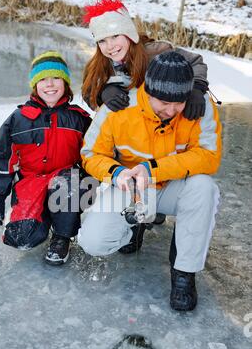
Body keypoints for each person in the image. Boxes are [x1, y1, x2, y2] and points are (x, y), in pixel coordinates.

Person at [78, 51, 222, 311]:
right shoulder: (120, 107)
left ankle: (184, 273)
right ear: (148, 91)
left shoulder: (199, 108)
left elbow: (209, 157)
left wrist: (154, 169)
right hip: (130, 186)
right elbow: (90, 154)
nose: (171, 110)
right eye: (163, 102)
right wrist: (116, 172)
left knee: (204, 187)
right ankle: (134, 224)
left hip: (172, 187)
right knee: (94, 242)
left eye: (178, 103)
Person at [81, 0, 209, 225]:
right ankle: (134, 216)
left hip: (162, 128)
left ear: (129, 33)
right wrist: (102, 94)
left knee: (162, 162)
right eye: (102, 41)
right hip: (128, 137)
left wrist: (197, 89)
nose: (109, 46)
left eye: (114, 36)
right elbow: (88, 93)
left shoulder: (157, 52)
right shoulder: (99, 64)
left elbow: (195, 62)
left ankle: (160, 200)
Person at [0, 50, 91, 265]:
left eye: (56, 78)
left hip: (65, 183)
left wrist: (89, 185)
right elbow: (2, 157)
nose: (50, 85)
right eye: (43, 79)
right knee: (20, 239)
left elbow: (93, 156)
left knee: (68, 183)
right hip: (31, 182)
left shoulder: (79, 118)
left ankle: (62, 237)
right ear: (35, 84)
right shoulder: (18, 118)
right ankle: (43, 216)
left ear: (65, 83)